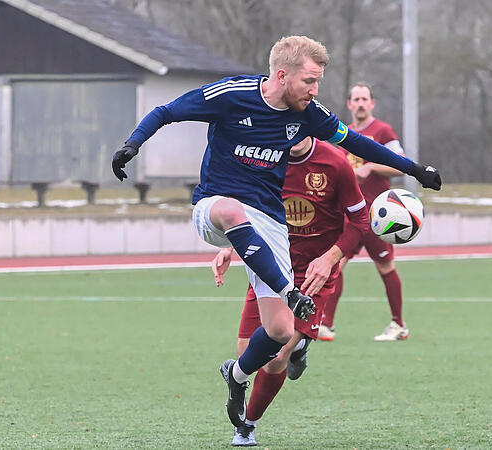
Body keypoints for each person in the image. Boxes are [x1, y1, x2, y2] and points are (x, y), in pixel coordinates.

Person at [110, 36, 442, 430]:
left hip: (269, 224)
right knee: (234, 211)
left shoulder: (309, 114)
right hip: (215, 206)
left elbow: (357, 143)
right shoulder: (231, 95)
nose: (315, 90)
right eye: (309, 81)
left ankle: (235, 374)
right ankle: (290, 292)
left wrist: (414, 169)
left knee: (280, 331)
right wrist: (133, 144)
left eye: (318, 82)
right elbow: (166, 111)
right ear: (282, 75)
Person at [212, 135, 369, 446]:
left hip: (315, 274)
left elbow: (360, 220)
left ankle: (247, 426)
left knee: (275, 356)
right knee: (248, 354)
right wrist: (230, 247)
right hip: (270, 266)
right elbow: (249, 211)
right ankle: (295, 349)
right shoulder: (262, 159)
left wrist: (331, 258)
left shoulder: (335, 162)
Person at [319, 83, 410, 342]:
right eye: (355, 99)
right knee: (335, 264)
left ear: (372, 103)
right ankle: (326, 324)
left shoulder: (382, 131)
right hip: (348, 214)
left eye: (364, 99)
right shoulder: (341, 134)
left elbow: (400, 165)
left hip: (377, 214)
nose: (360, 103)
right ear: (349, 104)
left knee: (384, 265)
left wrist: (371, 167)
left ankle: (398, 324)